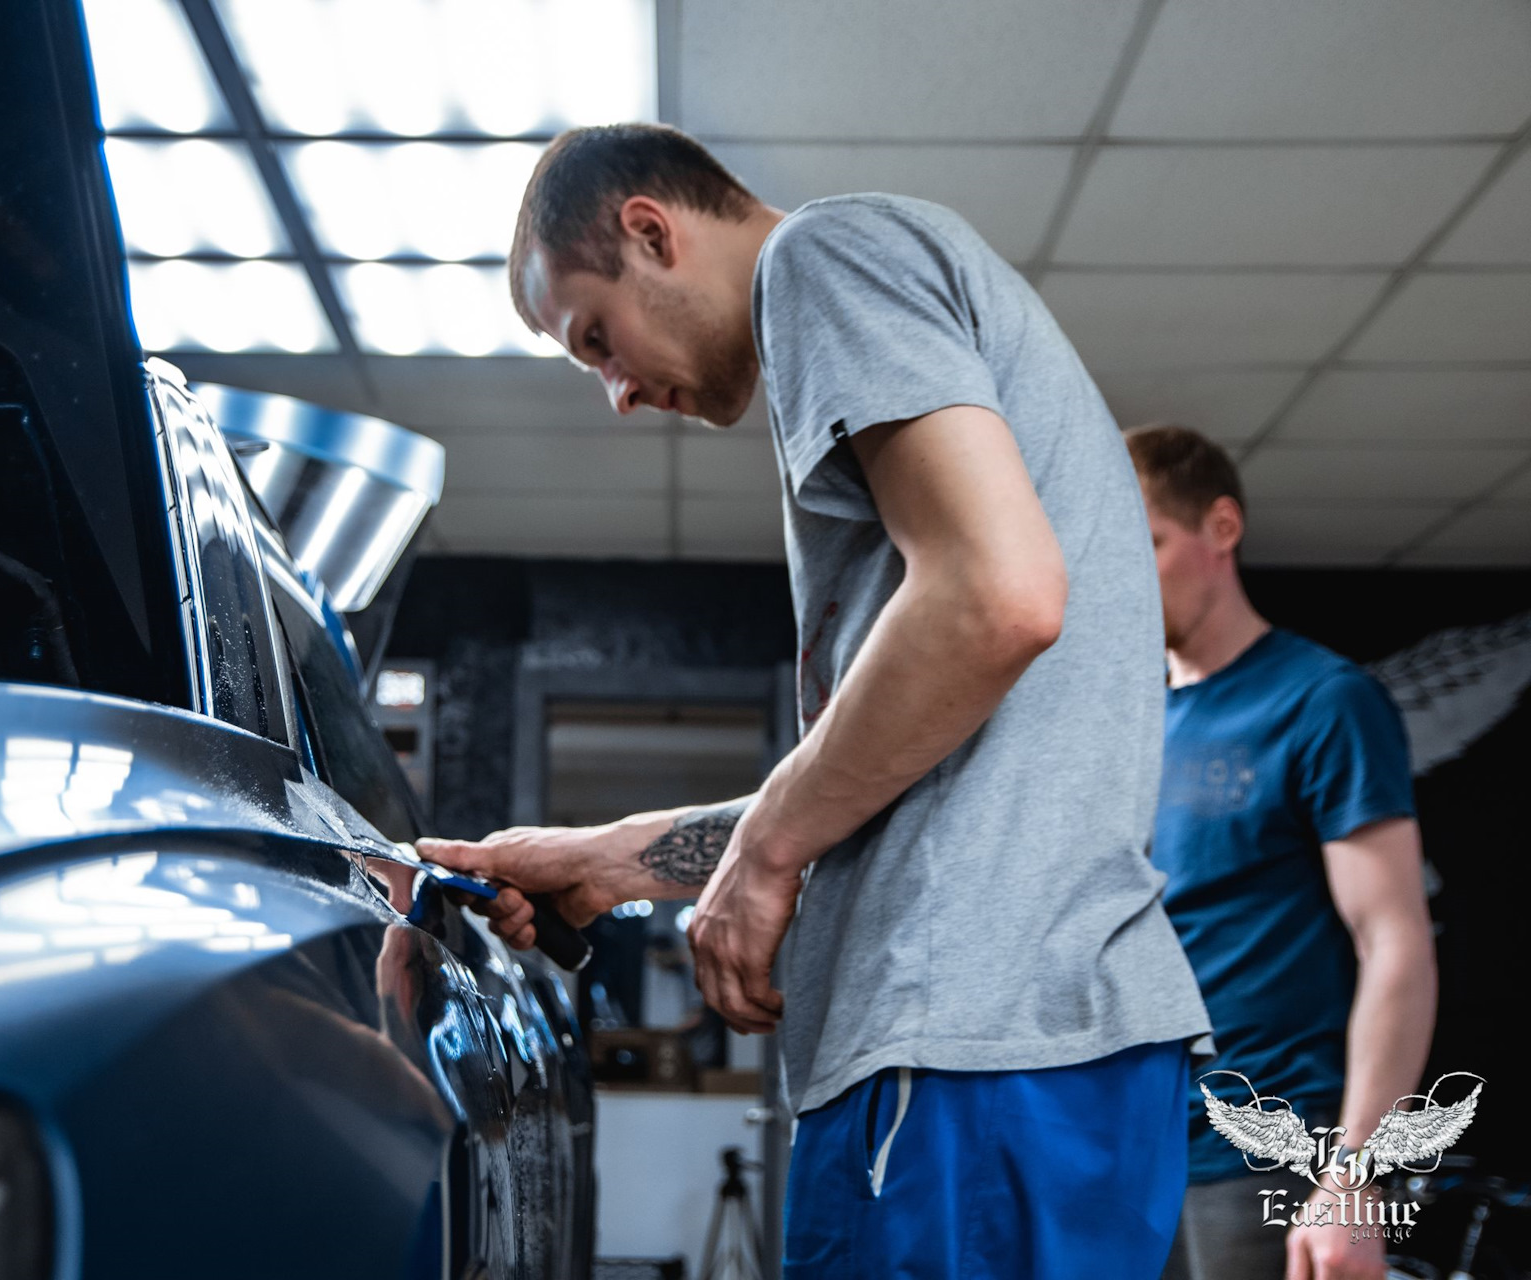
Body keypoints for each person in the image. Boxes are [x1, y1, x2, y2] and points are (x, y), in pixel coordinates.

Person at [418, 123, 1213, 1277]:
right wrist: (615, 859)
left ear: (652, 232)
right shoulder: (884, 300)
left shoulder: (823, 258)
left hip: (960, 1058)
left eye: (598, 337)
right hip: (1038, 1049)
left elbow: (1000, 595)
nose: (618, 393)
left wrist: (769, 855)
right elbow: (911, 780)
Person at [1127, 425, 1437, 1280]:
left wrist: (1356, 1180)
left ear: (1220, 528)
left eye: (1147, 543)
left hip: (1272, 1161)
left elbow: (1395, 942)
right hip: (1134, 1158)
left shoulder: (1323, 700)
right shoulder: (1135, 729)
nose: (1123, 573)